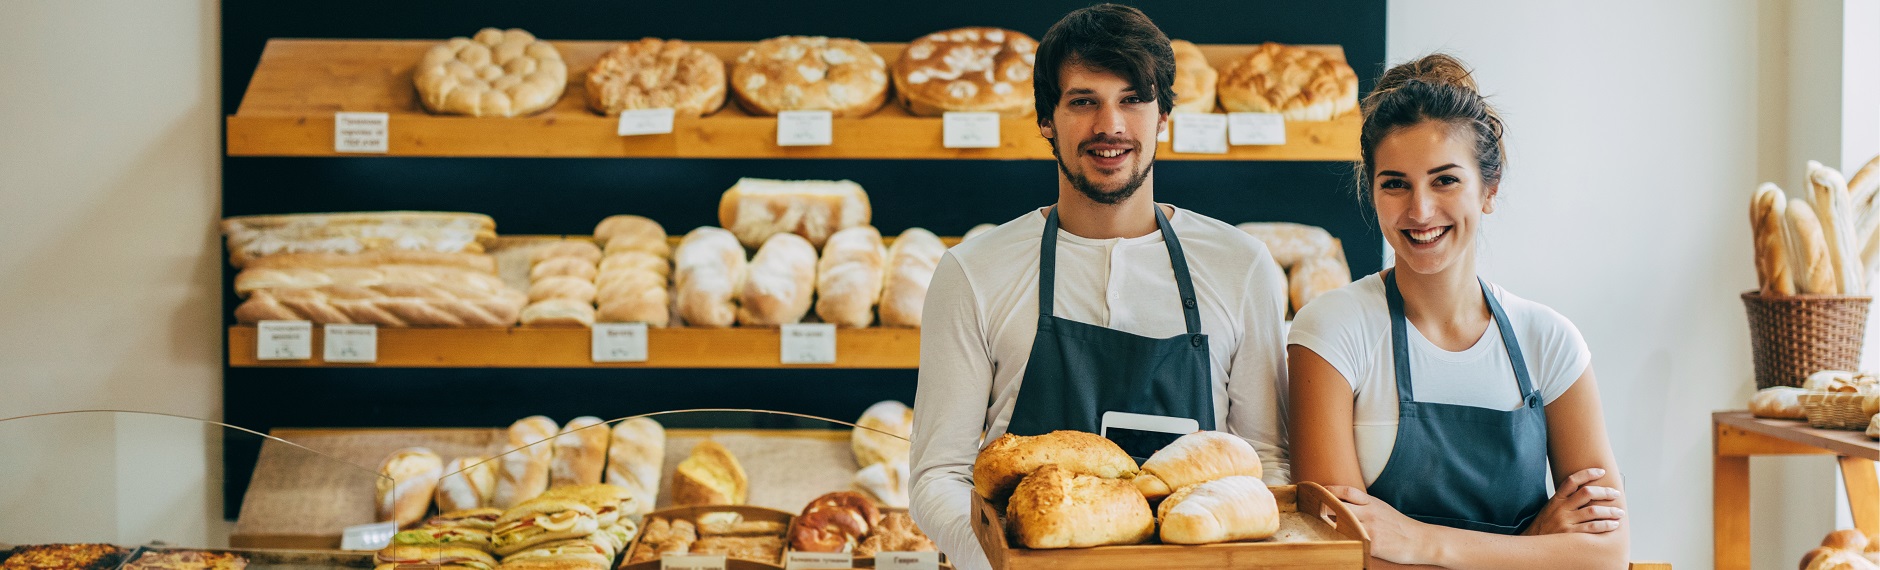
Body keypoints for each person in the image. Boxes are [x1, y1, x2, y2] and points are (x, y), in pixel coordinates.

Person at [907, 4, 1291, 568]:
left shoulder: (1243, 267)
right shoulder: (972, 272)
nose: (1110, 125)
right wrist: (1006, 561)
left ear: (1163, 117)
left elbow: (1266, 466)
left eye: (1132, 99)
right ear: (1046, 119)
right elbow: (938, 477)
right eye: (1084, 101)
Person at [1286, 53, 1629, 569]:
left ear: (1489, 189)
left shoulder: (1550, 341)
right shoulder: (1330, 332)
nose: (1420, 210)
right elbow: (1339, 560)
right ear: (1372, 192)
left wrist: (1419, 541)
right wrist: (1536, 544)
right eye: (1395, 183)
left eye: (1445, 180)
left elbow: (1606, 554)